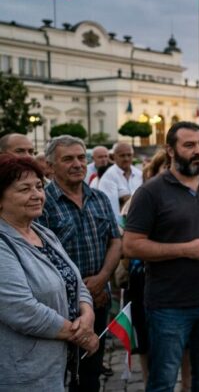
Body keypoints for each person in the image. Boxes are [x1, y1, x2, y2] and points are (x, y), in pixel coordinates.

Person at [123, 121, 199, 392]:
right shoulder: (150, 192)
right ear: (171, 150)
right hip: (169, 305)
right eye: (189, 145)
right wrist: (184, 249)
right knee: (163, 380)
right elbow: (130, 246)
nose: (198, 151)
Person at [0, 155, 100, 392]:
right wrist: (81, 335)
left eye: (39, 187)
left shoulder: (43, 233)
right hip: (21, 374)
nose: (37, 195)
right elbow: (20, 309)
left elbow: (75, 282)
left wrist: (87, 315)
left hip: (55, 368)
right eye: (24, 189)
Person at [37, 136, 122, 392]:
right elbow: (40, 256)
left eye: (80, 158)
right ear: (50, 167)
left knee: (90, 373)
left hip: (99, 298)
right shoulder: (41, 202)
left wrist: (103, 277)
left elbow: (116, 242)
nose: (77, 164)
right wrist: (80, 292)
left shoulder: (100, 198)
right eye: (68, 159)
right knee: (55, 373)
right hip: (59, 307)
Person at [97, 142, 142, 214]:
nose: (126, 159)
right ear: (114, 157)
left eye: (129, 155)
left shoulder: (139, 174)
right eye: (122, 155)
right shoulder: (108, 177)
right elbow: (111, 207)